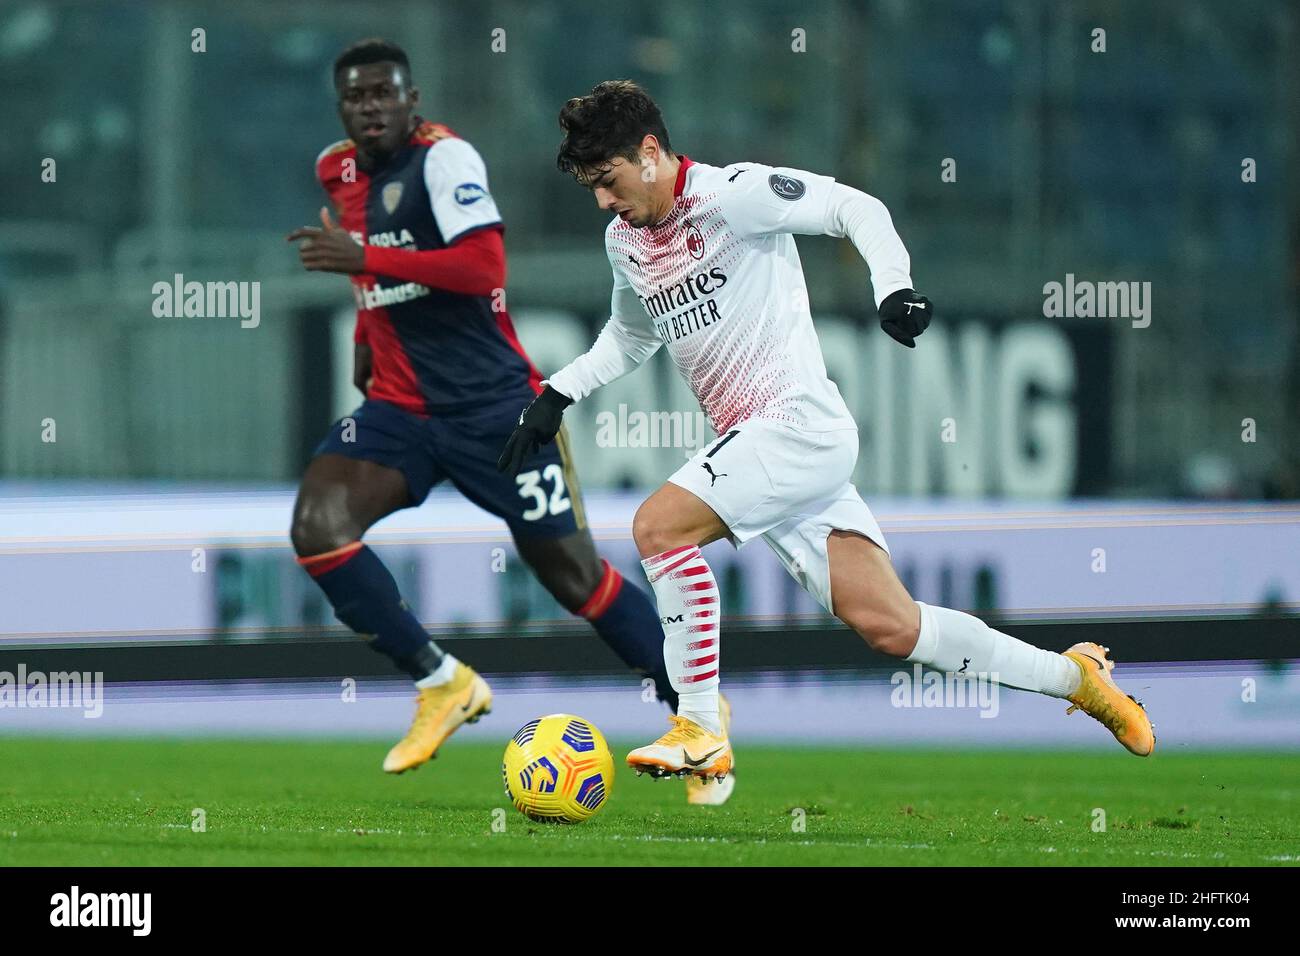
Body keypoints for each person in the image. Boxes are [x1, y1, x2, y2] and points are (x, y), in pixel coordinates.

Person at [499, 80, 1155, 781]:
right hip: (761, 450)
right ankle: (1077, 678)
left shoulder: (735, 195)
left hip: (795, 427)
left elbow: (852, 205)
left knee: (658, 529)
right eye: (591, 186)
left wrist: (892, 285)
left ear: (651, 152)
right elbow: (630, 338)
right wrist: (558, 394)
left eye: (608, 179)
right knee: (895, 627)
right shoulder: (624, 242)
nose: (602, 198)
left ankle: (697, 725)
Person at [287, 46, 705, 798]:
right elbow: (370, 273)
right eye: (356, 98)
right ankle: (441, 682)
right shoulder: (337, 170)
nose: (371, 107)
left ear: (413, 97)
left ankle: (693, 712)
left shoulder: (446, 162)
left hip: (497, 411)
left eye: (385, 93)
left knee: (576, 580)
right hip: (402, 410)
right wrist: (361, 337)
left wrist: (367, 255)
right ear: (341, 108)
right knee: (318, 526)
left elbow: (482, 270)